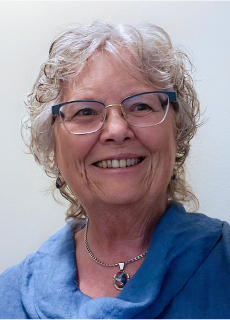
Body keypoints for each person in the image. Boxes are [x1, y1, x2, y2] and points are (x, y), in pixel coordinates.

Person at [0, 20, 230, 319]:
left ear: (178, 131)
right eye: (85, 111)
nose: (117, 130)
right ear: (53, 148)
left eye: (141, 106)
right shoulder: (10, 299)